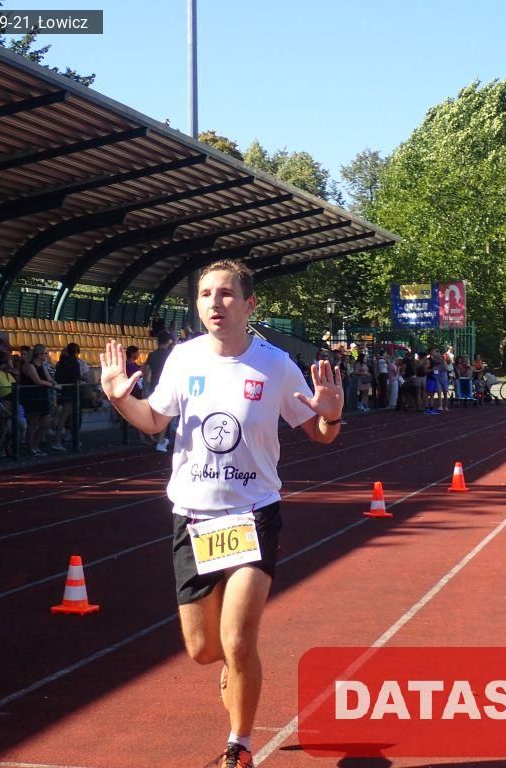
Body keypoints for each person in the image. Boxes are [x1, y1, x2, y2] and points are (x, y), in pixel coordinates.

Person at [100, 259, 343, 768]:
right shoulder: (183, 359)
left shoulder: (275, 365)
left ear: (249, 304)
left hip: (254, 515)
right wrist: (121, 400)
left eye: (227, 293)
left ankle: (240, 744)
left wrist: (332, 415)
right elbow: (153, 421)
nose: (215, 302)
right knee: (204, 650)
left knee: (238, 638)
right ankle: (230, 667)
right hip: (194, 519)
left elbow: (320, 434)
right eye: (206, 294)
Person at [143, 329, 174, 452]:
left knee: (158, 415)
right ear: (169, 341)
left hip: (154, 387)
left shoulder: (152, 355)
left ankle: (159, 439)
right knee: (166, 415)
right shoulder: (171, 354)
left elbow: (146, 373)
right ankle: (162, 441)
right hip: (168, 388)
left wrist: (144, 388)